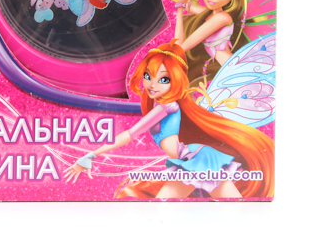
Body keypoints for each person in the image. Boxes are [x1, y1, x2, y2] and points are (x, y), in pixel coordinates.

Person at [64, 41, 274, 199]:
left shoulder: (165, 107)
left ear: (176, 80)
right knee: (171, 205)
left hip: (196, 160)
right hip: (191, 160)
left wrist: (91, 154)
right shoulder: (164, 105)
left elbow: (129, 135)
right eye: (148, 76)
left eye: (163, 79)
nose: (152, 84)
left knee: (174, 205)